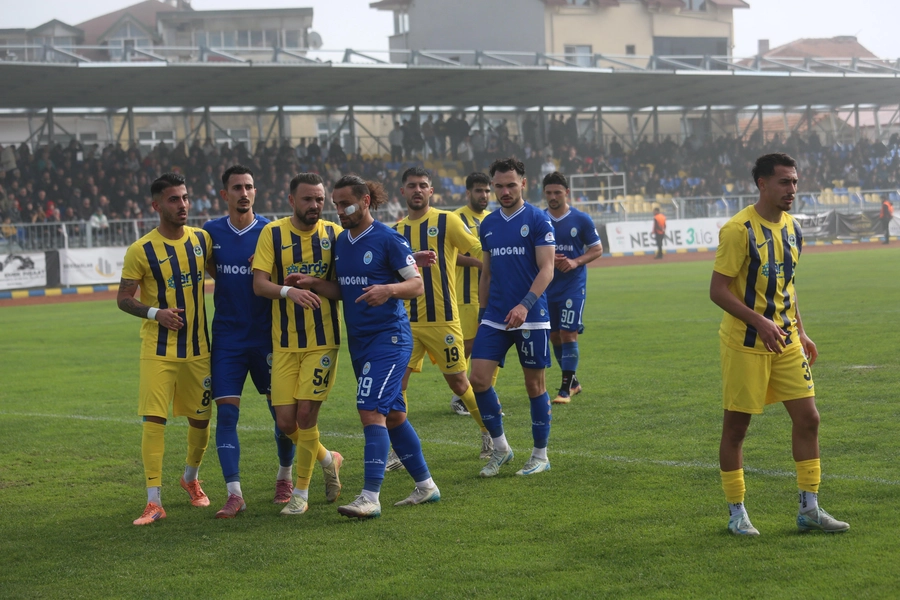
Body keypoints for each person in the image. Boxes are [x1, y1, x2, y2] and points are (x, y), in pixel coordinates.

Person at [710, 152, 849, 536]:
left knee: (809, 419)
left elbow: (787, 286)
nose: (792, 189)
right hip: (745, 342)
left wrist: (800, 331)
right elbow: (717, 290)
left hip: (785, 341)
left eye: (795, 182)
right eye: (784, 182)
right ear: (763, 184)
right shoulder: (738, 230)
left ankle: (809, 509)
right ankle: (737, 512)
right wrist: (758, 321)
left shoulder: (792, 228)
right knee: (736, 429)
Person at [294, 175, 440, 519]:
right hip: (360, 344)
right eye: (336, 204)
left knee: (370, 410)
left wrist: (388, 290)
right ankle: (426, 486)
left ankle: (370, 496)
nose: (339, 210)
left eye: (346, 204)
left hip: (390, 339)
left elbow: (416, 285)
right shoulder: (342, 242)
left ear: (365, 201)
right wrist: (314, 283)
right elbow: (345, 290)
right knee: (395, 416)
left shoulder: (389, 238)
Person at [203, 165, 341, 519]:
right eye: (237, 188)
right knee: (232, 414)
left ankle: (288, 480)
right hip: (232, 337)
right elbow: (217, 271)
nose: (244, 193)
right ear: (225, 194)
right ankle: (234, 493)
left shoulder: (274, 230)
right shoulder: (213, 233)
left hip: (273, 337)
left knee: (290, 418)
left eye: (249, 186)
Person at [117, 172, 213, 525]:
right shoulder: (141, 250)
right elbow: (123, 298)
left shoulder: (201, 240)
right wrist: (156, 313)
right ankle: (153, 500)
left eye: (185, 198)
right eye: (174, 199)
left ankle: (190, 478)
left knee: (200, 419)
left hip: (199, 348)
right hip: (157, 349)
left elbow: (224, 274)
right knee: (154, 419)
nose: (183, 205)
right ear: (156, 205)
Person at [251, 172, 345, 517]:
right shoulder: (273, 233)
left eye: (319, 199)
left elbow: (343, 289)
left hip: (323, 341)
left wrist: (315, 283)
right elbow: (260, 284)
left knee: (305, 416)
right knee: (286, 423)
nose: (315, 205)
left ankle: (300, 494)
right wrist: (289, 291)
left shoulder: (335, 235)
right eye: (308, 199)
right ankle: (328, 458)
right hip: (284, 343)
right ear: (292, 201)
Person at [392, 167, 493, 461]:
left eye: (423, 185)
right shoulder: (396, 231)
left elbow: (476, 248)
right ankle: (399, 449)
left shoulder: (446, 221)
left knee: (459, 383)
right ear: (403, 191)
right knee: (397, 385)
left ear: (431, 191)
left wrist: (501, 266)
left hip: (444, 320)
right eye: (412, 185)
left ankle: (489, 432)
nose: (417, 190)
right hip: (407, 323)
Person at [470, 157, 556, 478]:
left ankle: (540, 455)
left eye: (510, 185)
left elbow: (547, 269)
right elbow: (487, 273)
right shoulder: (489, 224)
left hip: (531, 316)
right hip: (495, 316)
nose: (504, 191)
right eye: (499, 186)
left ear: (523, 183)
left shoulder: (538, 220)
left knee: (534, 385)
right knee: (478, 380)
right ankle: (501, 448)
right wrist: (482, 314)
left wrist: (524, 305)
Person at [542, 171, 603, 404]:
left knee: (568, 333)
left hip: (573, 286)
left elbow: (597, 249)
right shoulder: (539, 219)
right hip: (547, 286)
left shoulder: (581, 219)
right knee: (554, 336)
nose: (553, 197)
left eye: (557, 192)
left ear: (567, 192)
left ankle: (565, 390)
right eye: (549, 192)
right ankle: (574, 382)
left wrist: (575, 262)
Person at [451, 172, 495, 418]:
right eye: (479, 190)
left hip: (492, 293)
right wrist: (481, 264)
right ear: (468, 192)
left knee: (491, 345)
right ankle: (460, 395)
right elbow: (449, 254)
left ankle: (483, 394)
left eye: (487, 190)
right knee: (467, 346)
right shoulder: (456, 218)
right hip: (466, 293)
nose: (484, 195)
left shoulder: (492, 218)